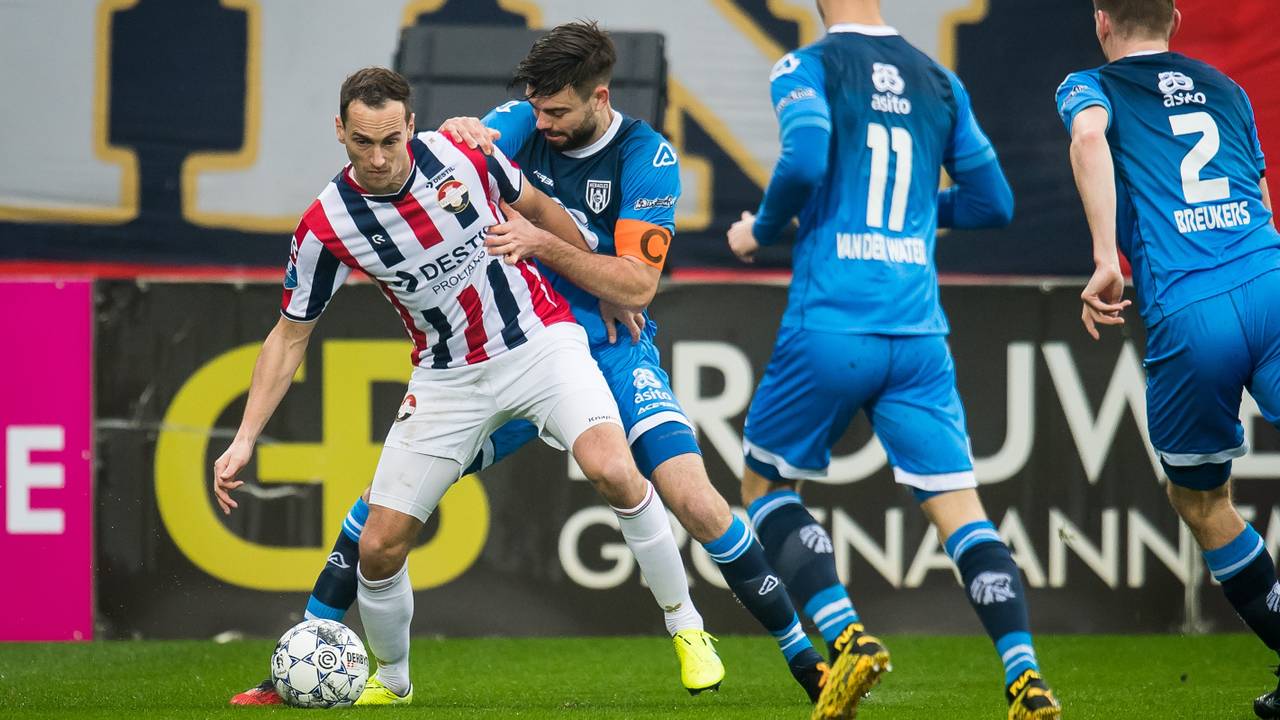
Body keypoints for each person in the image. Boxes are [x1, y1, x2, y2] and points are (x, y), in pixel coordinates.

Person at [230, 20, 839, 710]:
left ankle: (774, 652)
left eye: (557, 111)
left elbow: (628, 281)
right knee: (379, 529)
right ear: (340, 132)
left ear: (597, 98)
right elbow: (475, 146)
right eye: (534, 107)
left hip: (579, 340)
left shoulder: (649, 155)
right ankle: (326, 667)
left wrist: (591, 272)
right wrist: (245, 437)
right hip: (458, 372)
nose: (541, 120)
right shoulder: (490, 136)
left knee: (677, 492)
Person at [725, 1, 1061, 718]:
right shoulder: (940, 80)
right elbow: (993, 203)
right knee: (963, 514)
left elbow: (807, 151)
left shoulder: (806, 66)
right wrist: (913, 209)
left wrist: (760, 229)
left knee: (766, 488)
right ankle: (1025, 679)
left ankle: (847, 638)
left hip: (832, 322)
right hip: (916, 333)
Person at [1057, 1, 1280, 716]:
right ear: (1176, 18)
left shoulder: (1090, 86)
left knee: (1200, 498)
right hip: (1270, 279)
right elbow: (1263, 197)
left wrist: (1104, 258)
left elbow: (1089, 141)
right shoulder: (1227, 87)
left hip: (1192, 309)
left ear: (1101, 22)